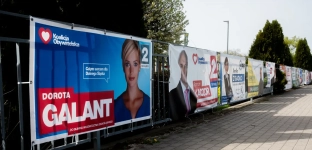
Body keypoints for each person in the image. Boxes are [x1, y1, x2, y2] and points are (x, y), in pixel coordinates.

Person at [114, 39, 150, 123]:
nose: (131, 71)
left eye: (135, 64)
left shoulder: (148, 102)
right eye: (127, 64)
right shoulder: (115, 105)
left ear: (140, 66)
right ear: (123, 66)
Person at [169, 50, 197, 121]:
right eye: (181, 66)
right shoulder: (173, 93)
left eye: (186, 66)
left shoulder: (194, 91)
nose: (184, 70)